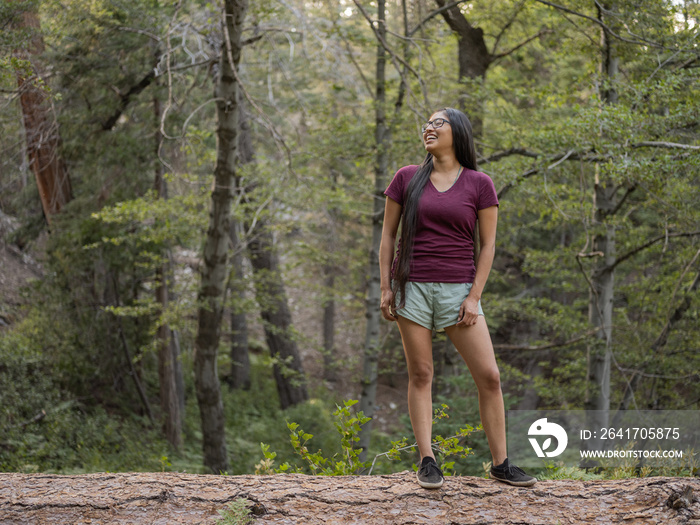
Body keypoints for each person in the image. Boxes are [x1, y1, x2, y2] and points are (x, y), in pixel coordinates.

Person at [379, 107, 536, 489]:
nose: (428, 128)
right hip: (411, 287)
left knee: (491, 377)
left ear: (458, 133)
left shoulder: (480, 183)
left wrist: (473, 297)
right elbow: (387, 236)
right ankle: (428, 461)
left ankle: (501, 464)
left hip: (460, 292)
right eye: (427, 124)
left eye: (438, 123)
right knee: (421, 374)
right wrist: (385, 287)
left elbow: (488, 245)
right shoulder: (406, 178)